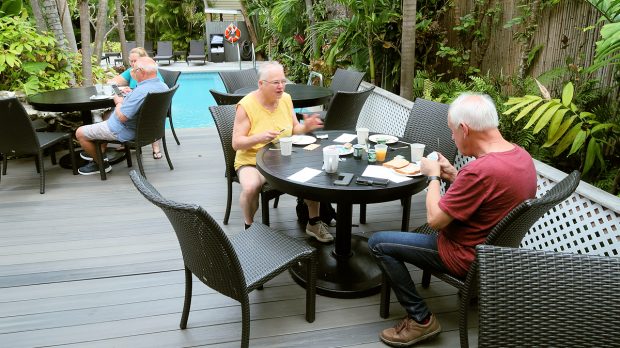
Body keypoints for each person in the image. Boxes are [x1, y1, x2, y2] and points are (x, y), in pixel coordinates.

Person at [368, 93, 537, 347]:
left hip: (463, 255)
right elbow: (486, 197)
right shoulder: (521, 157)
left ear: (464, 129)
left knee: (378, 243)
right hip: (495, 252)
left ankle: (421, 320)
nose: (451, 138)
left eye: (451, 131)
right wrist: (454, 175)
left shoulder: (480, 170)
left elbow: (435, 220)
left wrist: (434, 177)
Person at [232, 61, 333, 242]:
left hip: (284, 156)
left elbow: (294, 128)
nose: (281, 87)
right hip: (252, 159)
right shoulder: (246, 106)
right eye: (275, 83)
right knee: (250, 187)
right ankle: (249, 227)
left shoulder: (285, 99)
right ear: (261, 84)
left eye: (283, 81)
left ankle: (314, 222)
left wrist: (306, 127)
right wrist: (260, 137)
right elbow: (237, 143)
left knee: (313, 172)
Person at [76, 57, 168, 175]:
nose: (133, 72)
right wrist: (131, 95)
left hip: (124, 130)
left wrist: (118, 102)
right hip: (150, 130)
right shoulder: (162, 86)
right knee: (104, 118)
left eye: (134, 70)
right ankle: (99, 151)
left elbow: (122, 117)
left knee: (80, 132)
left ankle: (101, 164)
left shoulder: (141, 92)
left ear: (141, 71)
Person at [108, 47, 165, 159]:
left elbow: (155, 91)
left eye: (136, 61)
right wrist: (127, 88)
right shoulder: (132, 71)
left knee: (122, 113)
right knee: (112, 113)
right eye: (131, 61)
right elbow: (113, 81)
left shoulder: (151, 72)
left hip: (153, 107)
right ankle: (124, 141)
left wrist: (129, 94)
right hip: (137, 105)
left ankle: (155, 147)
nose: (133, 63)